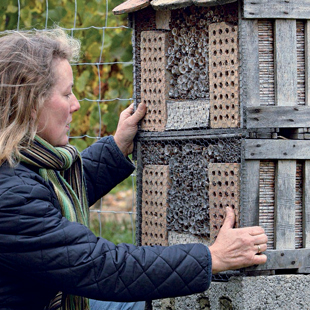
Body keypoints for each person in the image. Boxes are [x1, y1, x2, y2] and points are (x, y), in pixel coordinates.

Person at [0, 28, 268, 310]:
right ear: (30, 104)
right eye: (67, 94)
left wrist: (116, 148)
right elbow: (101, 266)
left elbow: (58, 196)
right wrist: (213, 257)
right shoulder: (12, 197)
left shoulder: (22, 167)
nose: (77, 105)